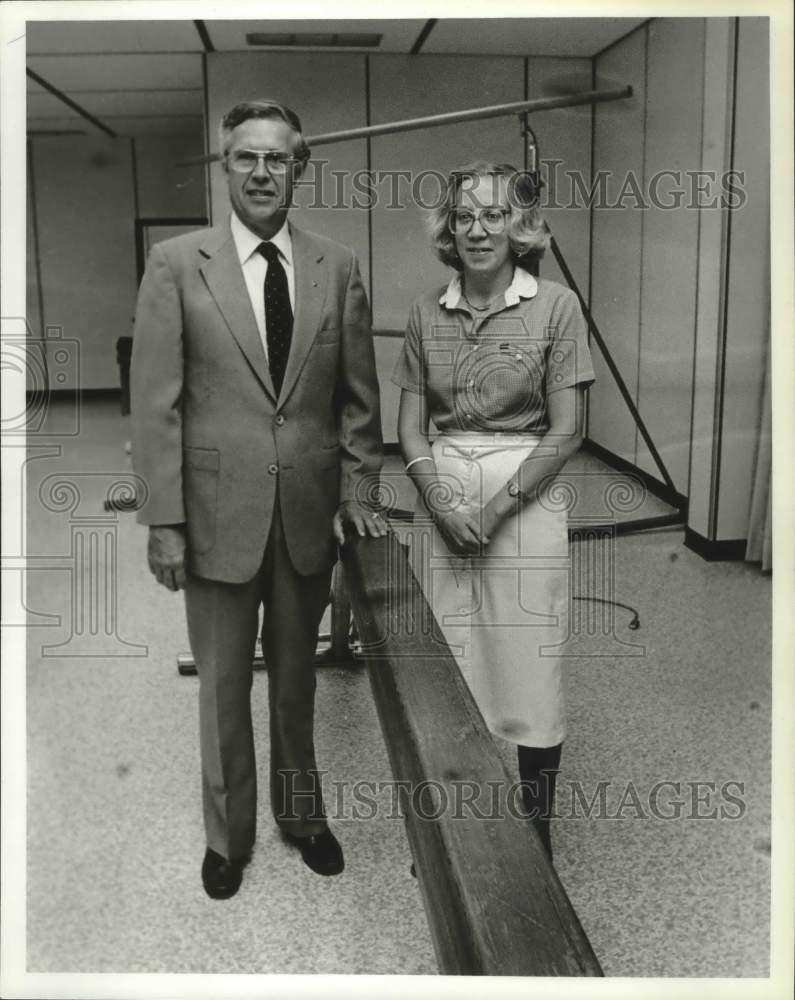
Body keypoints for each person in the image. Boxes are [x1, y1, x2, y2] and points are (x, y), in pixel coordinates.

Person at [130, 98, 385, 899]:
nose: (262, 171)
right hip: (212, 519)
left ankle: (301, 817)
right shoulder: (177, 263)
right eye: (246, 157)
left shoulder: (336, 265)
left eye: (277, 158)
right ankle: (226, 837)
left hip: (308, 514)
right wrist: (163, 521)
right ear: (225, 167)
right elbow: (155, 404)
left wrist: (358, 489)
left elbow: (359, 401)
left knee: (297, 681)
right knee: (221, 687)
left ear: (299, 168)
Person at [393, 161, 595, 862]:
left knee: (527, 666)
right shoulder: (425, 311)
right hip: (441, 499)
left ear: (522, 226)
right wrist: (442, 501)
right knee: (447, 660)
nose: (477, 229)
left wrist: (500, 505)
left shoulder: (556, 305)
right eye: (463, 216)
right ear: (447, 228)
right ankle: (459, 823)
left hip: (526, 498)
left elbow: (567, 429)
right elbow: (410, 429)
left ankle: (535, 836)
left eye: (494, 214)